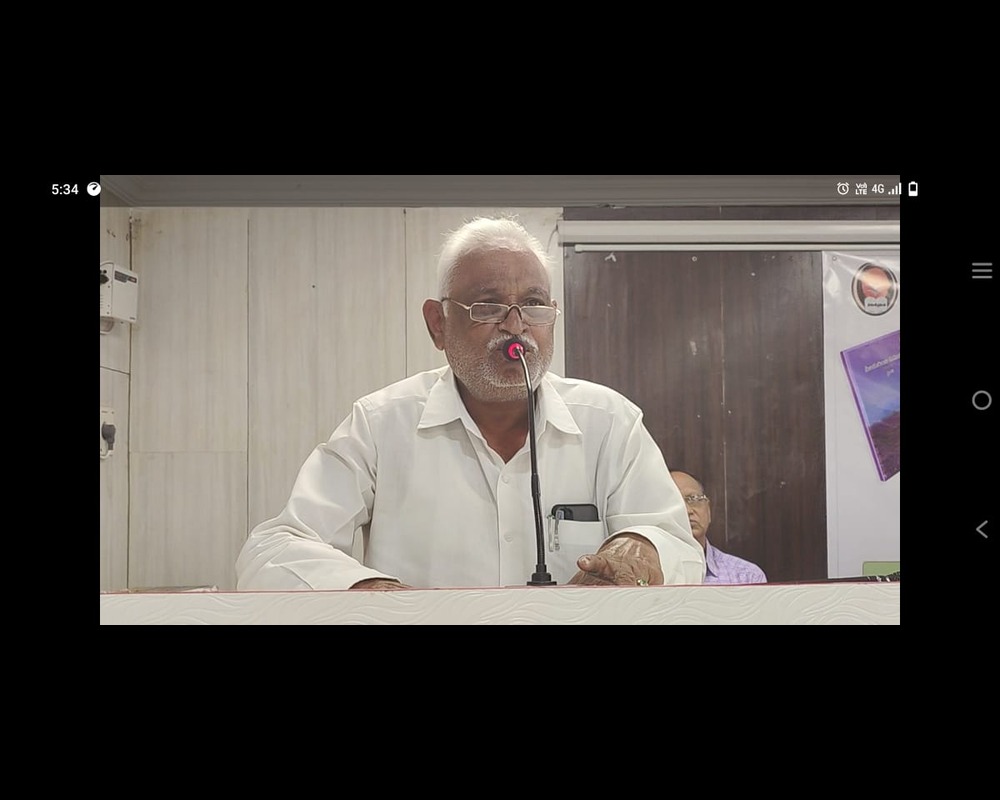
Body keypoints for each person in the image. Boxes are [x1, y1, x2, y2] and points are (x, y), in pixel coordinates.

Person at [236, 216, 705, 591]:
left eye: (534, 303)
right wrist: (372, 592)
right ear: (438, 324)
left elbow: (679, 547)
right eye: (488, 306)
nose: (516, 325)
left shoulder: (609, 421)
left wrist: (642, 546)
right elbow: (273, 550)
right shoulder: (380, 424)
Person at [670, 470, 767, 584]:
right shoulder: (653, 574)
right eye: (675, 502)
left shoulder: (746, 576)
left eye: (694, 499)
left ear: (708, 510)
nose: (688, 510)